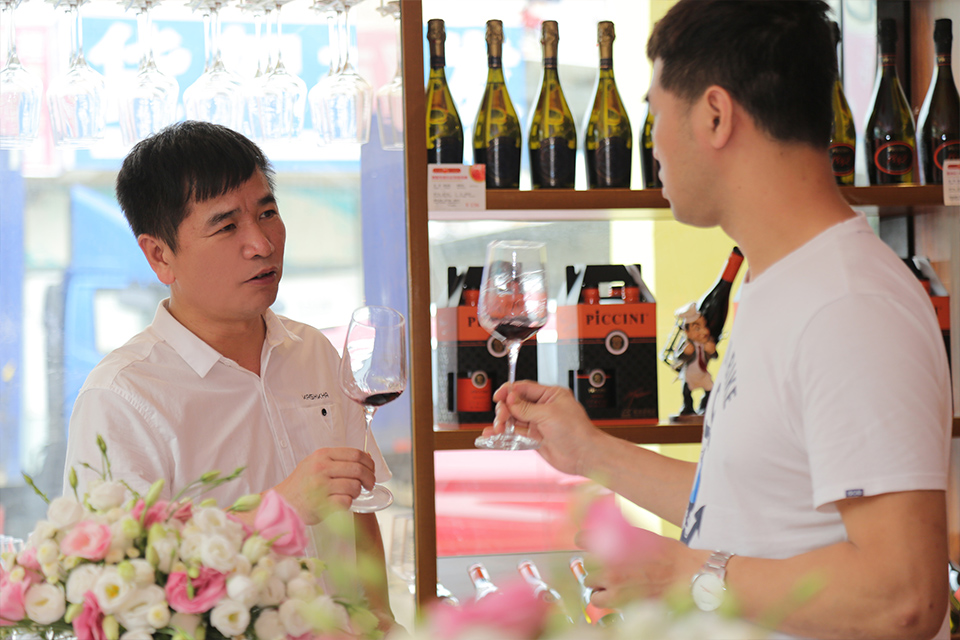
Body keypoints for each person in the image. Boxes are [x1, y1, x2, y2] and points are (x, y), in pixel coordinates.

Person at [483, 2, 953, 639]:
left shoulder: (849, 306)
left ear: (714, 114)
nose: (651, 141)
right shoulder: (777, 283)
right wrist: (590, 451)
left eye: (655, 113)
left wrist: (682, 575)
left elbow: (902, 597)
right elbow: (754, 507)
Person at [62, 121, 396, 628]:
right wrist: (277, 510)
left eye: (268, 213)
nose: (261, 243)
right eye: (226, 227)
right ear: (159, 255)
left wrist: (383, 620)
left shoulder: (313, 351)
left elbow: (357, 506)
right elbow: (119, 587)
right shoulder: (122, 397)